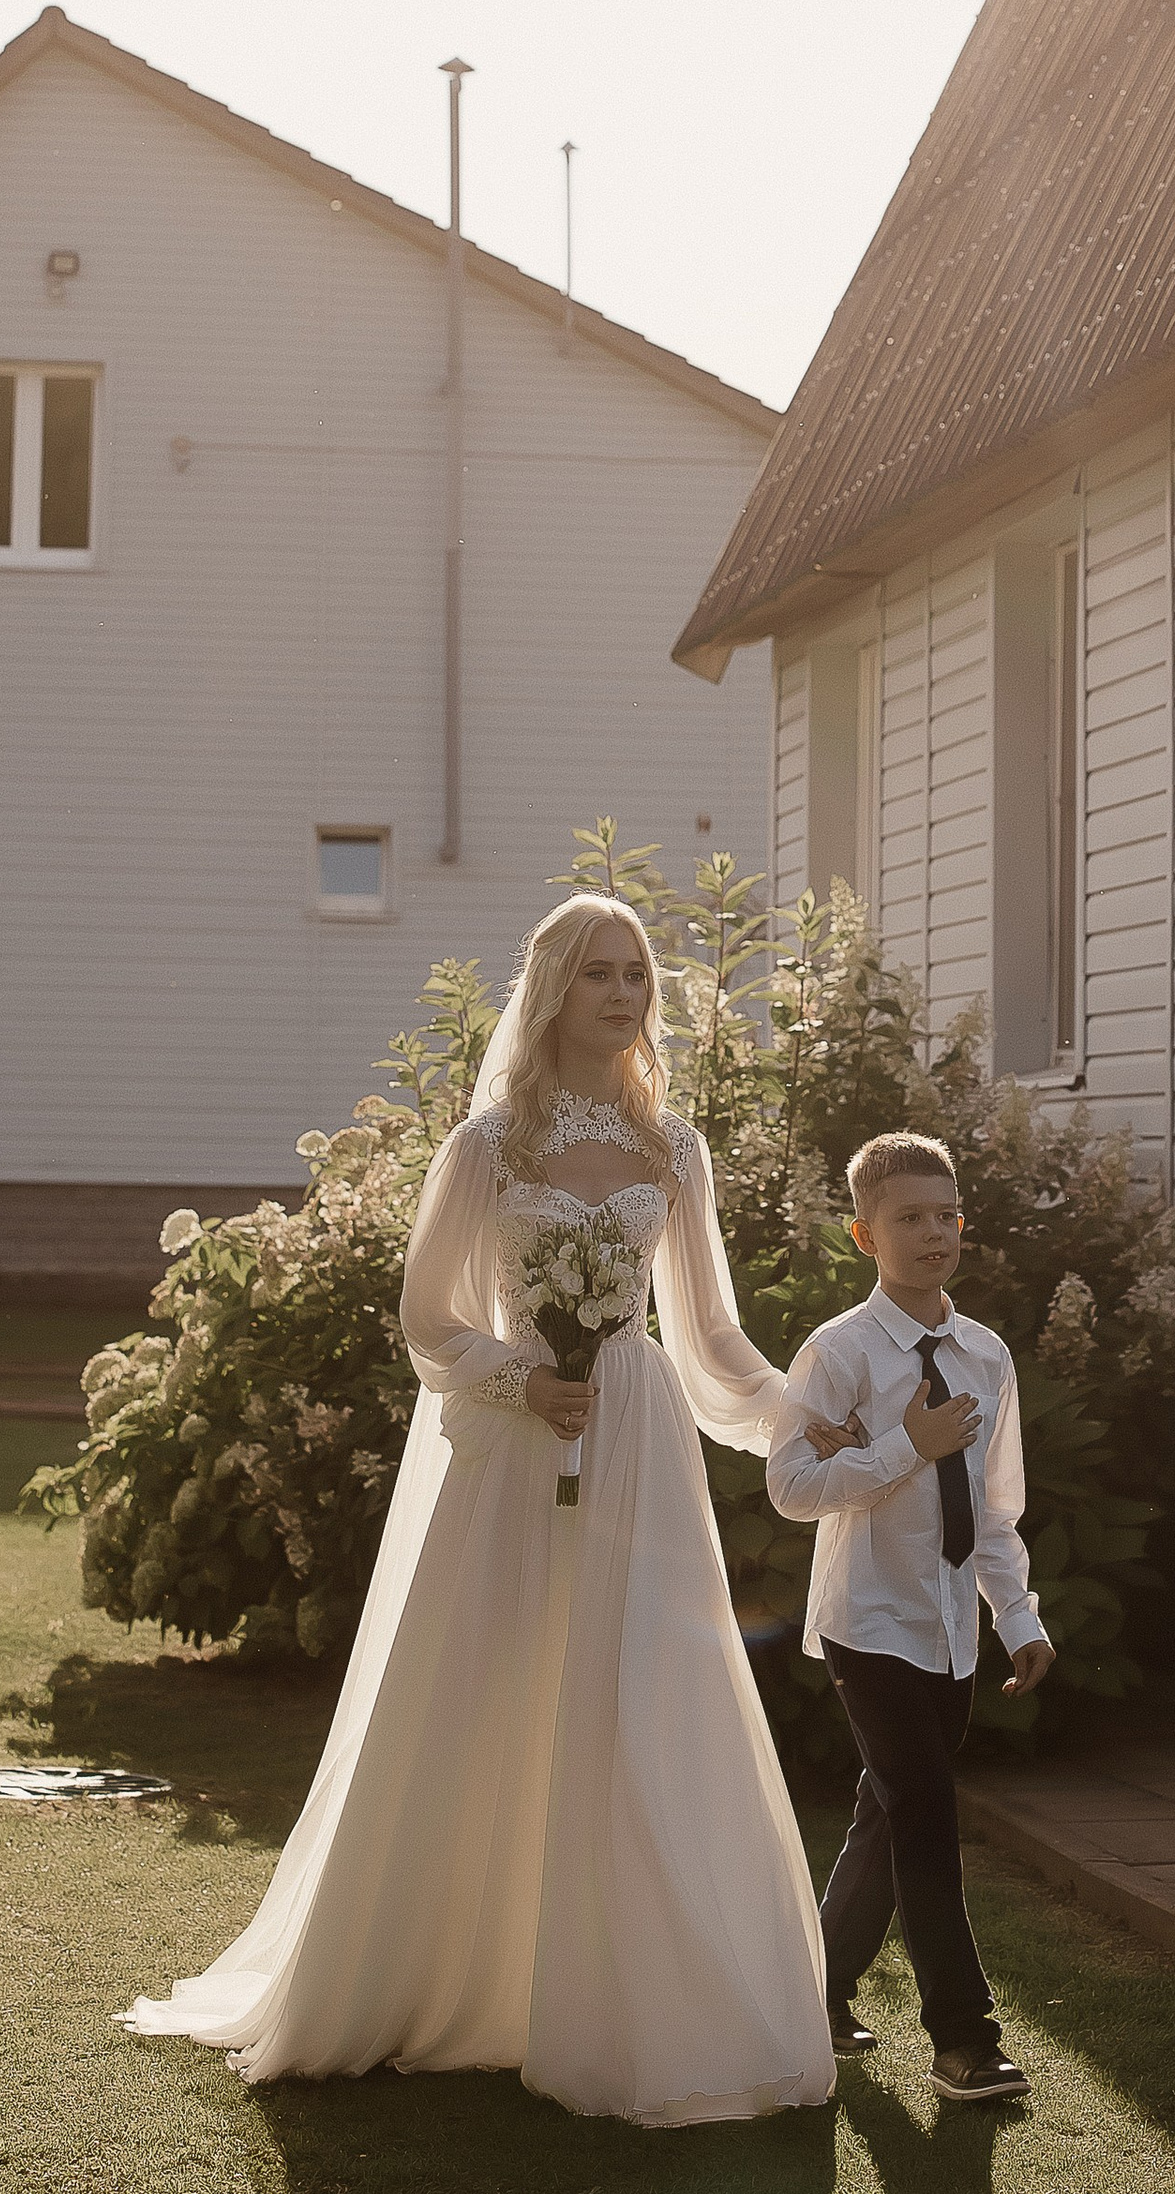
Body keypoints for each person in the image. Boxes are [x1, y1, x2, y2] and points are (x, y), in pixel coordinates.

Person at [121, 892, 840, 2127]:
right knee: (493, 1685)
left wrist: (795, 1416)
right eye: (600, 973)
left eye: (638, 975)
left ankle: (640, 1997)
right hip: (518, 1447)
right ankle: (454, 1973)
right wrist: (520, 1376)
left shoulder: (677, 1151)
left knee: (643, 1696)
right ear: (554, 988)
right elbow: (427, 1315)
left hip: (638, 1444)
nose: (624, 995)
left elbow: (707, 1327)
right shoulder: (486, 1148)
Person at [767, 1131, 1053, 2107]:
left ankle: (817, 1990)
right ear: (863, 1234)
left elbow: (997, 1506)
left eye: (946, 1215)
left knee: (888, 1816)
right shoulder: (838, 1352)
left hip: (949, 1633)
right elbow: (791, 1487)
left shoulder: (985, 1354)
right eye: (908, 1218)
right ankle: (963, 2042)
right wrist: (903, 1445)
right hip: (870, 1627)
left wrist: (1016, 1617)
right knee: (925, 1816)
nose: (933, 1233)